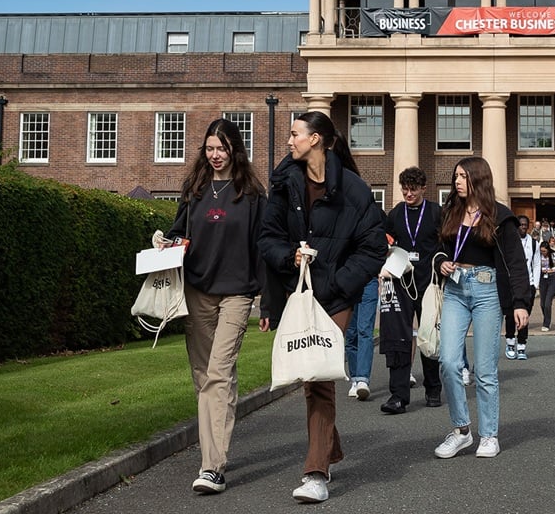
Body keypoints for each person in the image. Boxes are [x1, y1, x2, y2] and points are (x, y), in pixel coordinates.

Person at [258, 111, 386, 503]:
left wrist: (338, 281)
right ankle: (329, 446)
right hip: (299, 293)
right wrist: (289, 258)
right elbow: (267, 238)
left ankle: (316, 473)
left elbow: (373, 247)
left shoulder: (355, 190)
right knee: (311, 375)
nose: (289, 140)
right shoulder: (283, 185)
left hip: (335, 295)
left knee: (317, 375)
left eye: (295, 134)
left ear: (315, 140)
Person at [157, 118, 267, 495]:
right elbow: (179, 232)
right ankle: (216, 450)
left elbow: (261, 248)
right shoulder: (195, 188)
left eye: (221, 149)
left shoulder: (252, 194)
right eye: (209, 149)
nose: (215, 155)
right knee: (206, 378)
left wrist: (266, 299)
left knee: (219, 373)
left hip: (237, 293)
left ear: (235, 150)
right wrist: (167, 243)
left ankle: (212, 467)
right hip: (198, 291)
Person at [431, 157, 532, 459]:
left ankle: (489, 435)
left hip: (488, 291)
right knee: (448, 362)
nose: (457, 181)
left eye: (463, 176)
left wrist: (520, 303)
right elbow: (436, 249)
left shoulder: (500, 216)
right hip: (456, 291)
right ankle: (462, 430)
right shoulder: (450, 212)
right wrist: (440, 261)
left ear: (479, 179)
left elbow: (515, 263)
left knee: (485, 371)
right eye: (456, 176)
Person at [380, 166, 443, 413]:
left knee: (429, 334)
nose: (408, 194)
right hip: (400, 283)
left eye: (413, 190)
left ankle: (433, 388)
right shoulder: (395, 214)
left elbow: (446, 244)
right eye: (405, 189)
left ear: (423, 189)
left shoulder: (437, 212)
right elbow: (385, 243)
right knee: (398, 337)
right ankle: (398, 395)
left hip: (428, 283)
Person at [504, 216, 539, 360]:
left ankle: (522, 345)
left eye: (525, 225)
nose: (523, 227)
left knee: (525, 316)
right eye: (521, 225)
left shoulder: (533, 243)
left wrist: (535, 284)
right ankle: (510, 342)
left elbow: (536, 264)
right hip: (512, 284)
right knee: (511, 315)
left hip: (528, 285)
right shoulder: (509, 242)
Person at [343, 278, 377, 401]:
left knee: (365, 329)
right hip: (347, 281)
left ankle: (363, 379)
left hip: (369, 280)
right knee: (351, 333)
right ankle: (355, 379)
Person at [536, 241, 555, 331]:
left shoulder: (554, 255)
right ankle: (546, 317)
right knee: (542, 303)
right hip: (543, 278)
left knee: (547, 303)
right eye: (541, 251)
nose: (543, 253)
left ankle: (546, 323)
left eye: (544, 251)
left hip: (552, 278)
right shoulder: (538, 256)